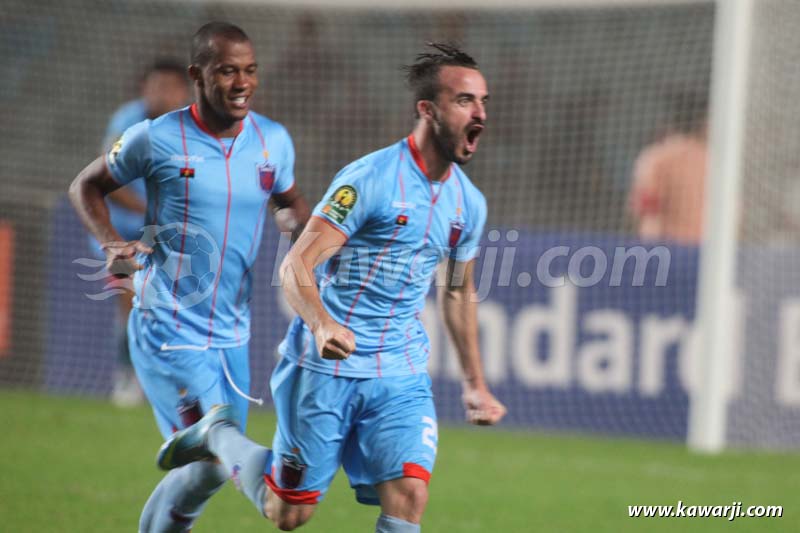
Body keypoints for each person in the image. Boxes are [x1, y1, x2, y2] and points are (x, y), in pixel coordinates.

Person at [158, 43, 507, 533]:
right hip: (326, 368)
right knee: (289, 513)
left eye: (483, 101)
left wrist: (475, 383)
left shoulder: (468, 204)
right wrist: (322, 324)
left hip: (401, 373)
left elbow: (455, 291)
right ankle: (218, 434)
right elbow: (296, 266)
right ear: (427, 110)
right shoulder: (370, 180)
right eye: (465, 101)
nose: (480, 114)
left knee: (410, 495)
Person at [68, 22, 309, 532]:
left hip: (232, 332)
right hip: (167, 322)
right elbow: (84, 187)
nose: (242, 83)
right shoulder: (155, 137)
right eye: (228, 71)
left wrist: (298, 231)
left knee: (207, 472)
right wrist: (111, 242)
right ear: (198, 75)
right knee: (219, 442)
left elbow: (290, 204)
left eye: (250, 70)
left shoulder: (273, 141)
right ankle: (273, 484)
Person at [93, 59, 190, 407]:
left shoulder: (191, 128)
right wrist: (147, 209)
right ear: (143, 88)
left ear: (184, 92)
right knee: (130, 297)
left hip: (161, 229)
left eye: (169, 87)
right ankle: (126, 375)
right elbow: (107, 183)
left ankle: (169, 379)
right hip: (120, 227)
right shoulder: (127, 121)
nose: (161, 94)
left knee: (174, 303)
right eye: (155, 86)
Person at [628, 117, 708, 245]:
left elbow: (644, 205)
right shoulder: (713, 161)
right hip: (705, 246)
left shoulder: (658, 157)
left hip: (663, 246)